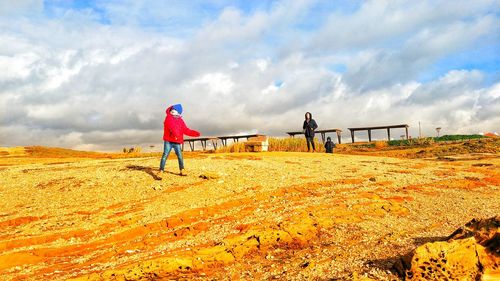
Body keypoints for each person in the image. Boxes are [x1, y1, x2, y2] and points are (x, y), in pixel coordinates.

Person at [159, 104, 200, 176]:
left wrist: (194, 133)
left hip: (176, 142)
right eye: (171, 110)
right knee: (165, 155)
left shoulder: (181, 121)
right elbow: (171, 127)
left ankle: (182, 170)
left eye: (174, 111)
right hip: (168, 140)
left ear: (178, 113)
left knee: (180, 156)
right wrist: (176, 135)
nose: (172, 112)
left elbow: (185, 129)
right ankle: (161, 170)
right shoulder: (168, 118)